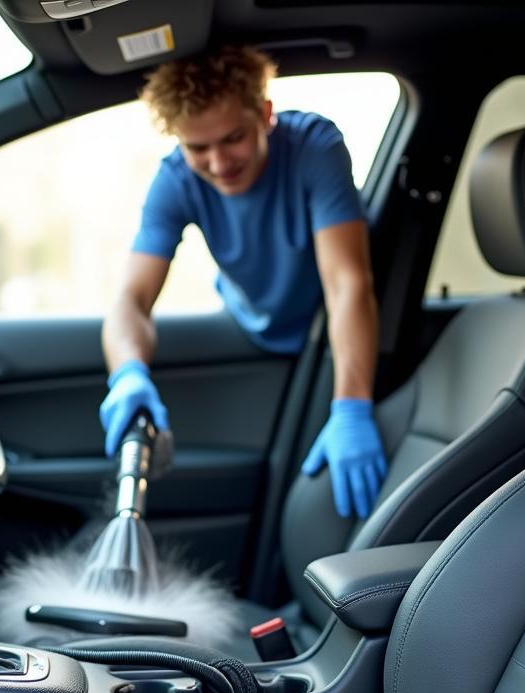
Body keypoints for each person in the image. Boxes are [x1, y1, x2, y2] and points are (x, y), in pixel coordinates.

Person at [100, 45, 388, 519]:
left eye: (233, 137)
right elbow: (132, 298)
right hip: (253, 323)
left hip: (333, 336)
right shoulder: (174, 181)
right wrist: (128, 373)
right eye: (197, 147)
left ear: (265, 114)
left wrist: (352, 408)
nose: (218, 162)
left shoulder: (314, 146)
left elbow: (347, 284)